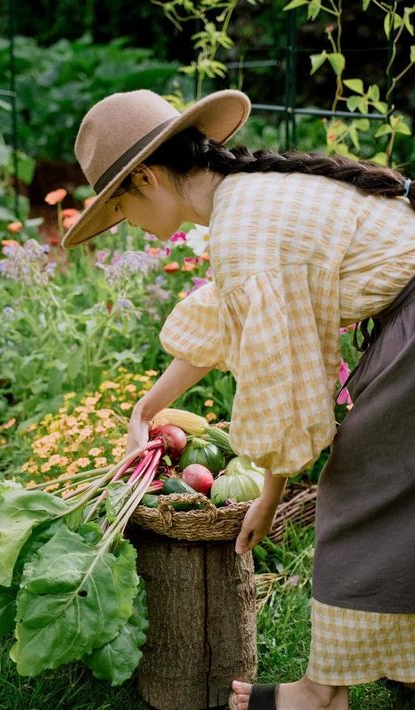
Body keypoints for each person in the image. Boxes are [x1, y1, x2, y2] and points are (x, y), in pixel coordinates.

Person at [62, 89, 415, 710]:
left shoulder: (243, 225)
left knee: (362, 488)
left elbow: (283, 381)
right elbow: (223, 324)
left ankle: (321, 692)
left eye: (120, 204)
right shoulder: (245, 201)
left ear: (146, 176)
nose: (127, 224)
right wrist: (144, 410)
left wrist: (268, 496)